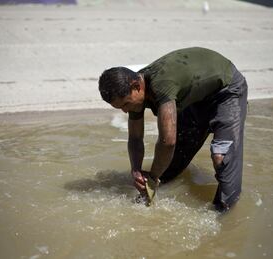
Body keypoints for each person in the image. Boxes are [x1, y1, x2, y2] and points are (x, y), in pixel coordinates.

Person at [98, 47, 248, 212]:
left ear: (137, 86)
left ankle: (224, 213)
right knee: (167, 170)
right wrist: (136, 170)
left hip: (226, 90)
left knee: (221, 157)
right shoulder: (134, 89)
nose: (126, 111)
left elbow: (168, 142)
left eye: (126, 104)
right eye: (120, 108)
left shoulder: (161, 85)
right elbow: (135, 138)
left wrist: (152, 178)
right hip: (196, 99)